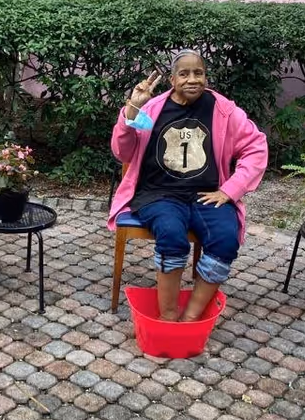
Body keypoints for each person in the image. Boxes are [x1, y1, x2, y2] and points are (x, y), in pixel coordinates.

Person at [108, 49, 268, 322]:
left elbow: (256, 147)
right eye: (184, 74)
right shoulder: (153, 109)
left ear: (205, 77)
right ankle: (168, 316)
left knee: (226, 238)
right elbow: (122, 152)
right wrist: (131, 110)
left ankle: (191, 317)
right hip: (158, 194)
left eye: (199, 73)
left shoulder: (224, 111)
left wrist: (229, 190)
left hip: (205, 194)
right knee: (171, 235)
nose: (192, 79)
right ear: (172, 79)